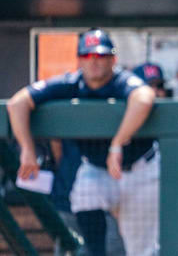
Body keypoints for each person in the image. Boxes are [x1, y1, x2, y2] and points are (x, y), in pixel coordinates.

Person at [6, 29, 159, 256]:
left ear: (112, 59)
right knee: (85, 194)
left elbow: (145, 97)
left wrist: (117, 143)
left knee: (141, 250)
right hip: (97, 168)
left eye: (100, 56)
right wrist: (27, 149)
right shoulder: (71, 83)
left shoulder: (121, 80)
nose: (94, 62)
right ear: (79, 60)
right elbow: (17, 103)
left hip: (139, 170)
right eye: (88, 56)